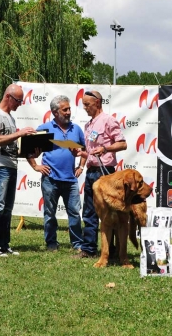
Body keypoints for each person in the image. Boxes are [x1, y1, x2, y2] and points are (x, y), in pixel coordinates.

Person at [26, 95, 86, 252]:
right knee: (50, 213)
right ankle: (51, 243)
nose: (68, 112)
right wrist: (35, 166)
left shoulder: (77, 129)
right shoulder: (44, 129)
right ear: (54, 112)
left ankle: (78, 244)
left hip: (71, 180)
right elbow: (29, 151)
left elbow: (85, 151)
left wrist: (81, 166)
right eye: (64, 109)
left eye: (69, 109)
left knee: (74, 213)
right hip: (50, 179)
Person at [0, 84, 37, 257]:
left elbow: (13, 146)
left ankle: (3, 244)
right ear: (8, 97)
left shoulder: (9, 117)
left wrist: (34, 149)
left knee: (7, 209)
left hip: (11, 164)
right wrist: (19, 133)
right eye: (18, 100)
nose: (20, 104)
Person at [73, 90, 127, 258]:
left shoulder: (109, 121)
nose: (85, 108)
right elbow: (90, 152)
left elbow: (123, 144)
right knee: (89, 211)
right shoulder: (88, 125)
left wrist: (105, 148)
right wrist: (82, 154)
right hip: (91, 173)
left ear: (97, 103)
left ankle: (110, 250)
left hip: (106, 173)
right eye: (83, 104)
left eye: (87, 104)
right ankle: (88, 249)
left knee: (108, 213)